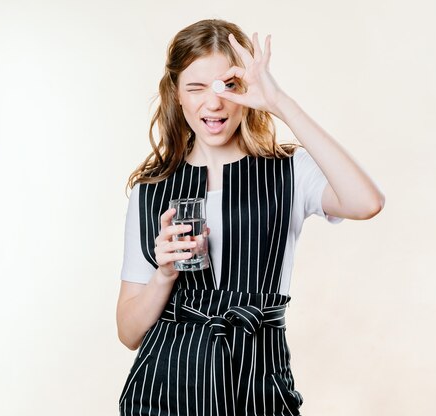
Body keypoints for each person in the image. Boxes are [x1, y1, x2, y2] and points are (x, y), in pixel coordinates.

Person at [117, 19, 384, 416]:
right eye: (196, 87)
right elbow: (128, 332)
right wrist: (164, 275)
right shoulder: (150, 191)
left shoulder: (289, 172)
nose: (214, 102)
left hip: (258, 383)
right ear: (176, 93)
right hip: (165, 385)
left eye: (228, 85)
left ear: (246, 87)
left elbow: (366, 202)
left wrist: (279, 103)